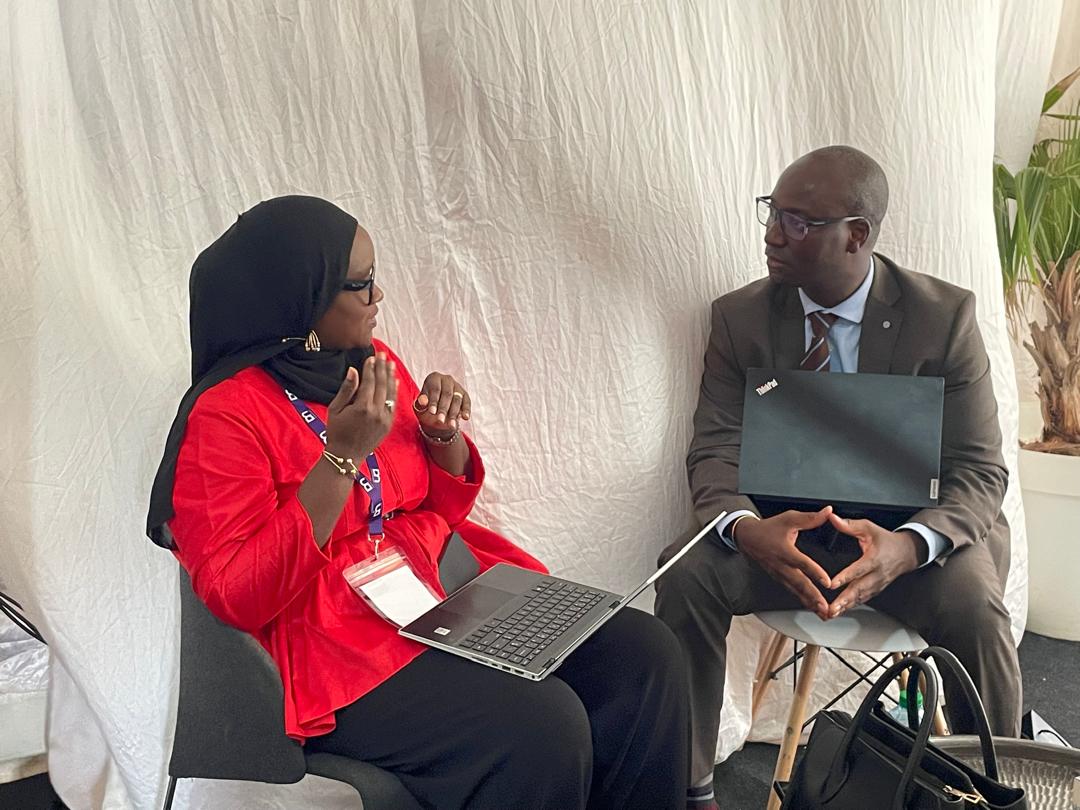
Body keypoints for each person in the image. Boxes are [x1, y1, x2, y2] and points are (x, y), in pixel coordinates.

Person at [147, 195, 689, 809]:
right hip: (331, 639)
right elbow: (238, 595)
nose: (378, 296)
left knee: (644, 656)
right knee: (543, 725)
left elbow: (436, 508)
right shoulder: (226, 415)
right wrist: (339, 458)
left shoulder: (374, 365)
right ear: (304, 300)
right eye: (361, 284)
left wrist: (440, 437)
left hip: (435, 588)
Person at [653, 146, 1022, 810]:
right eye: (772, 212)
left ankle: (993, 796)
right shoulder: (740, 318)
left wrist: (906, 547)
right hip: (783, 536)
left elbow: (979, 469)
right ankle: (689, 789)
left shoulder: (942, 319)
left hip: (905, 541)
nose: (773, 234)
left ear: (856, 235)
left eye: (797, 221)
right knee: (686, 573)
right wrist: (749, 530)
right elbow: (715, 450)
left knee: (975, 606)